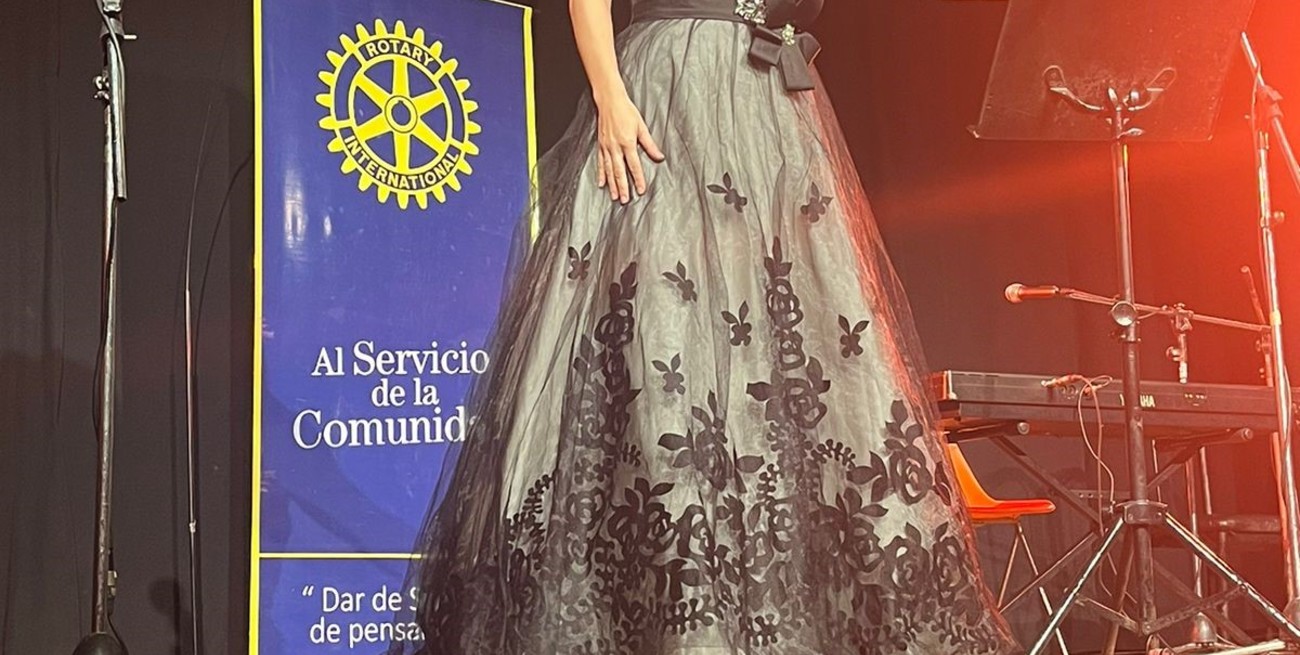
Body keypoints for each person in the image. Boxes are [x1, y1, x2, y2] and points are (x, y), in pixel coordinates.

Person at [398, 0, 1018, 652]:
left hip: (762, 99)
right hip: (667, 93)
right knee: (661, 337)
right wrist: (610, 96)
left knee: (784, 352)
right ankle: (682, 617)